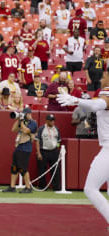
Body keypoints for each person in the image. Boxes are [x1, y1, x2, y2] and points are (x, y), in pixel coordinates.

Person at [56, 77, 109, 229]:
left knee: (90, 189)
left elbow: (97, 105)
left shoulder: (106, 95)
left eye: (105, 75)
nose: (102, 78)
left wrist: (75, 99)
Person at [3, 107, 37, 194]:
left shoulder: (33, 123)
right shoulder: (22, 121)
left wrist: (21, 121)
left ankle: (28, 187)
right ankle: (12, 187)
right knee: (14, 167)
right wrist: (18, 120)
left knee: (23, 168)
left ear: (29, 114)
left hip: (26, 148)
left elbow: (26, 131)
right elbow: (13, 129)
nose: (24, 116)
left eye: (25, 114)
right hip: (18, 147)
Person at [35, 114, 61, 190]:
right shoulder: (41, 129)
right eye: (50, 120)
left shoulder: (56, 129)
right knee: (42, 170)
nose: (52, 122)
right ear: (46, 121)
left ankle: (56, 187)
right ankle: (42, 186)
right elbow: (37, 141)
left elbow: (59, 140)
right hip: (44, 151)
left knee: (55, 170)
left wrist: (57, 148)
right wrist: (38, 152)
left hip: (54, 151)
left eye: (53, 120)